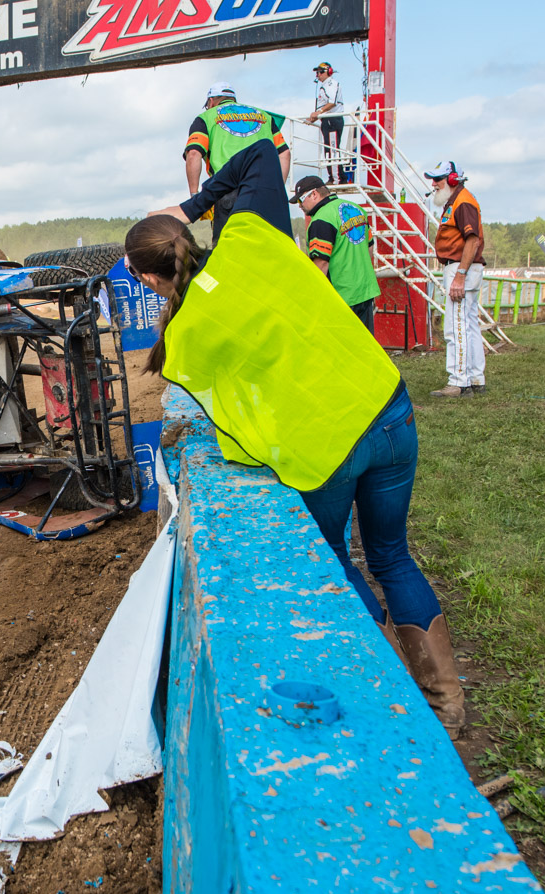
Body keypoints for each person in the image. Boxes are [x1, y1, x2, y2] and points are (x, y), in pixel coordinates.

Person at [132, 139, 469, 735]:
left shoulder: (180, 340)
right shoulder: (249, 237)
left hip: (327, 447)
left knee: (338, 558)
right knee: (392, 554)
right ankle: (447, 702)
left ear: (146, 277)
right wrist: (192, 205)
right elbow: (262, 152)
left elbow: (237, 429)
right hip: (388, 405)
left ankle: (401, 705)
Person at [183, 83, 293, 246]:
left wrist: (195, 196)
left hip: (227, 190)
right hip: (263, 191)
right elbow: (285, 154)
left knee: (227, 248)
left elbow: (193, 154)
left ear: (211, 101)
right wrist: (275, 189)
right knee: (263, 247)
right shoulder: (264, 116)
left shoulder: (206, 118)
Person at [425, 161, 486, 397]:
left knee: (456, 327)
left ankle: (459, 382)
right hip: (464, 267)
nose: (434, 184)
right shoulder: (459, 200)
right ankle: (475, 377)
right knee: (469, 325)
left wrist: (460, 275)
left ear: (452, 179)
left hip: (461, 267)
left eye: (438, 179)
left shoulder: (462, 201)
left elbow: (472, 240)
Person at [295, 175, 379, 327]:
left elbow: (321, 264)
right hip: (365, 291)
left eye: (300, 200)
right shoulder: (357, 209)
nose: (299, 206)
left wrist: (311, 301)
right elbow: (369, 248)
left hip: (342, 296)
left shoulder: (321, 219)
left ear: (314, 194)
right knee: (362, 340)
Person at [305, 62, 349, 184]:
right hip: (327, 120)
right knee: (329, 150)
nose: (318, 75)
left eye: (320, 72)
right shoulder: (326, 85)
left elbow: (332, 102)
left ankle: (336, 179)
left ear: (328, 72)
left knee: (332, 150)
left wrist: (319, 112)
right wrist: (313, 118)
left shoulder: (331, 84)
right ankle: (336, 177)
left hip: (332, 120)